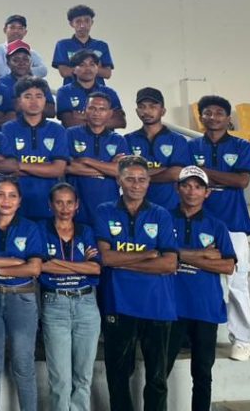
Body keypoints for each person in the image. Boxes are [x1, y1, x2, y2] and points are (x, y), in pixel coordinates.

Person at [95, 155, 178, 411]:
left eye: (142, 179)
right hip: (118, 303)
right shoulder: (104, 210)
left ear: (149, 182)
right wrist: (147, 255)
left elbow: (169, 264)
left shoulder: (161, 214)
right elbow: (105, 258)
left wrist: (122, 262)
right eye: (130, 179)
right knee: (118, 375)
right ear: (119, 180)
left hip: (157, 305)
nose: (136, 184)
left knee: (157, 378)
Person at [183, 95, 250, 361]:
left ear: (228, 118)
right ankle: (193, 335)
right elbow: (186, 179)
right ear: (201, 117)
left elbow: (241, 181)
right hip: (197, 222)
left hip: (233, 224)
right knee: (196, 277)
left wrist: (202, 172)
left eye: (218, 113)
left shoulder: (242, 146)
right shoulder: (191, 146)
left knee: (237, 282)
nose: (212, 117)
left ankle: (243, 339)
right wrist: (220, 177)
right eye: (207, 113)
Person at [168, 166, 236, 411]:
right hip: (170, 308)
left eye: (198, 187)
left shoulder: (216, 225)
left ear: (207, 193)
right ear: (177, 188)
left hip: (205, 309)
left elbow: (228, 265)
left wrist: (178, 256)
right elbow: (158, 255)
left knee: (203, 374)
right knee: (159, 372)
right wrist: (202, 255)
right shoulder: (163, 219)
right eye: (186, 185)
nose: (192, 191)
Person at [0, 176, 44, 411]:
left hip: (22, 299)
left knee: (23, 363)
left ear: (20, 200)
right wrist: (16, 262)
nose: (6, 200)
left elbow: (34, 268)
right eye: (0, 194)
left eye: (12, 195)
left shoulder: (30, 228)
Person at [38, 182, 102, 411]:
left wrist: (57, 263)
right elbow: (40, 267)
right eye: (59, 202)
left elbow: (95, 268)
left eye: (69, 203)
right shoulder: (41, 230)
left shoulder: (86, 231)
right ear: (50, 205)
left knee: (83, 377)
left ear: (77, 205)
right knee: (60, 380)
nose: (64, 208)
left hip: (86, 304)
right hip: (55, 304)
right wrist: (79, 266)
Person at [0, 77, 68, 220]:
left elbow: (58, 169)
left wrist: (20, 165)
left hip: (48, 204)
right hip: (15, 204)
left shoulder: (57, 130)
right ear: (19, 101)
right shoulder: (8, 129)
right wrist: (45, 168)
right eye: (28, 96)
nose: (34, 101)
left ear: (45, 100)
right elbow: (9, 169)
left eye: (39, 96)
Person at [65, 91, 129, 225]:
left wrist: (86, 160)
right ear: (85, 110)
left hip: (109, 207)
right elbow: (68, 167)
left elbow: (121, 171)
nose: (97, 113)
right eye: (92, 108)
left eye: (102, 109)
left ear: (110, 114)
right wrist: (107, 168)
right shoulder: (70, 134)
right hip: (75, 208)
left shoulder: (118, 140)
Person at [124, 87, 190, 212]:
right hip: (137, 210)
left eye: (152, 106)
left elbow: (176, 173)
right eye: (142, 107)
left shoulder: (177, 140)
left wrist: (138, 176)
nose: (146, 111)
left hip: (170, 209)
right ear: (136, 111)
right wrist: (165, 169)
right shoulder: (127, 139)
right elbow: (124, 173)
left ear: (163, 111)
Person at [55, 50, 125, 129]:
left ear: (97, 68)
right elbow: (70, 123)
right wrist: (103, 119)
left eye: (92, 64)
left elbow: (120, 122)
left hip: (106, 137)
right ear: (73, 69)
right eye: (82, 65)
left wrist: (84, 116)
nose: (88, 68)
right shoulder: (64, 92)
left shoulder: (109, 92)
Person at [52, 4, 114, 83]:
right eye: (78, 21)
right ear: (71, 24)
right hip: (72, 89)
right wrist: (95, 68)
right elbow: (64, 72)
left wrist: (75, 68)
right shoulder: (62, 45)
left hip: (97, 90)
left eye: (87, 21)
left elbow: (107, 74)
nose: (82, 25)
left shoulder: (102, 46)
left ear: (92, 22)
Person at [0, 41, 55, 119]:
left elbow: (51, 112)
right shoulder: (0, 83)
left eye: (25, 59)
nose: (21, 63)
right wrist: (37, 103)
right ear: (8, 63)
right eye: (16, 60)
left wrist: (20, 103)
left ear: (31, 62)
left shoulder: (41, 83)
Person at [0, 14, 47, 80]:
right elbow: (0, 72)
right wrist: (25, 71)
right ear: (5, 30)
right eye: (12, 27)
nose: (16, 31)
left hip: (27, 85)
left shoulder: (31, 52)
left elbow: (43, 70)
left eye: (20, 28)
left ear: (25, 32)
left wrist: (19, 72)